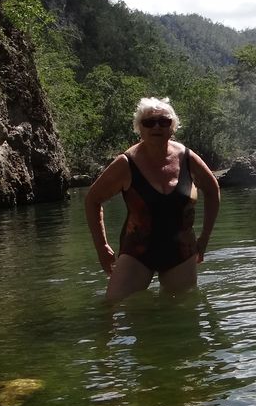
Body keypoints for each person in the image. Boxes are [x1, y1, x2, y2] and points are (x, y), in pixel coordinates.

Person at [85, 97, 221, 303]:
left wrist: (205, 237)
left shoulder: (187, 158)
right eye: (149, 122)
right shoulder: (126, 163)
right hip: (138, 252)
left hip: (180, 251)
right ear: (139, 128)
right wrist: (102, 246)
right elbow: (92, 200)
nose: (157, 126)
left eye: (164, 121)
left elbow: (212, 190)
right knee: (113, 306)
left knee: (182, 311)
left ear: (173, 126)